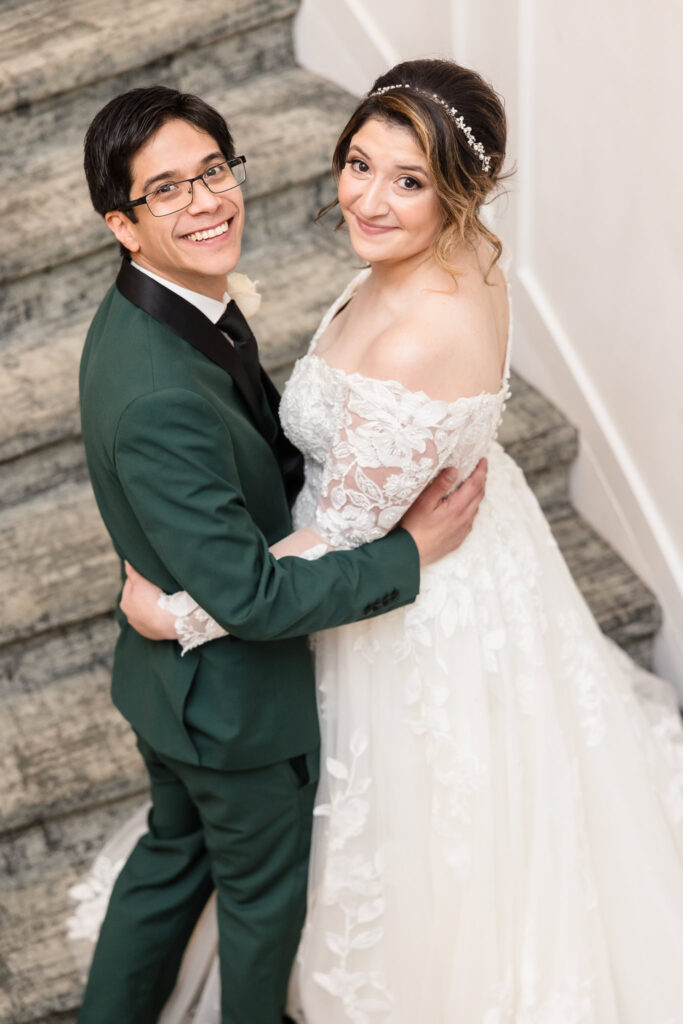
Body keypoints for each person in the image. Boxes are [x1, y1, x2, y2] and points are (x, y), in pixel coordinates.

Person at [119, 59, 683, 1023]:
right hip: (450, 543)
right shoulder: (451, 254)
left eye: (408, 180)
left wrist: (174, 609)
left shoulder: (424, 334)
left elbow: (339, 547)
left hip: (405, 606)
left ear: (455, 192)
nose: (368, 200)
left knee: (419, 851)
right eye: (359, 163)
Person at [76, 84, 487, 1024]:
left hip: (167, 691)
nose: (207, 202)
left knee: (170, 860)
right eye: (167, 191)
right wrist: (409, 551)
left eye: (213, 172)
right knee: (261, 911)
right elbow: (254, 599)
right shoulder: (157, 390)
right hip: (232, 714)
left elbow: (234, 467)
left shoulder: (167, 309)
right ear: (123, 226)